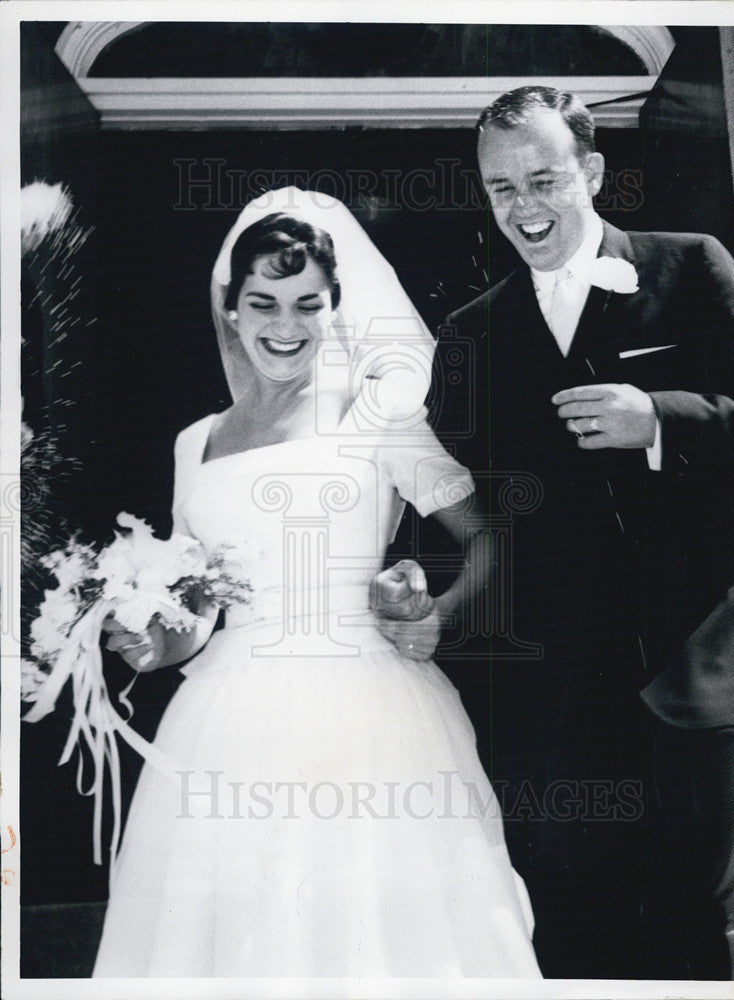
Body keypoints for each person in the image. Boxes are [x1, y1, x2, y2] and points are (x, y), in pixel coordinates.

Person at [372, 86, 734, 980]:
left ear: (590, 172)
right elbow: (473, 519)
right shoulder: (473, 332)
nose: (523, 207)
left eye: (542, 179)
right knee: (568, 934)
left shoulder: (688, 266)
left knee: (683, 928)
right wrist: (425, 595)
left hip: (688, 671)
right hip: (550, 705)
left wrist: (661, 415)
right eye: (500, 188)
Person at [91, 188, 542, 979]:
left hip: (365, 712)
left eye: (307, 304)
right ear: (230, 310)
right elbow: (199, 606)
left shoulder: (379, 415)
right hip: (221, 721)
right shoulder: (195, 442)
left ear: (338, 310)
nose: (284, 325)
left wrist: (435, 612)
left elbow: (489, 542)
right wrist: (151, 642)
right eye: (262, 303)